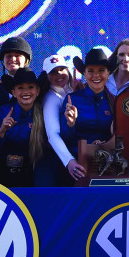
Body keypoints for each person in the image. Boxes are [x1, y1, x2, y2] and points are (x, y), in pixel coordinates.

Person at [0, 68, 46, 186]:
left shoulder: (44, 114)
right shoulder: (2, 112)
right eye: (20, 88)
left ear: (38, 91)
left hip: (32, 174)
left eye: (30, 87)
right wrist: (1, 132)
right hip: (2, 173)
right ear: (13, 92)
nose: (26, 91)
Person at [61, 47, 115, 152]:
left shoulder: (115, 101)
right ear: (84, 74)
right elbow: (64, 139)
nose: (96, 75)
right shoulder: (72, 100)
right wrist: (70, 125)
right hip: (79, 161)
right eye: (90, 71)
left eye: (101, 70)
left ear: (108, 73)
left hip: (109, 160)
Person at [39, 54, 81, 184]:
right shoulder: (50, 98)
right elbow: (53, 135)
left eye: (62, 69)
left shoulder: (72, 90)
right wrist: (69, 160)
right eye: (53, 72)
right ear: (46, 76)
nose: (59, 74)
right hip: (58, 162)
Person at [0, 36, 33, 111]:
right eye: (9, 56)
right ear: (3, 60)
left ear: (26, 60)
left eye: (17, 56)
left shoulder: (33, 85)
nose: (13, 59)